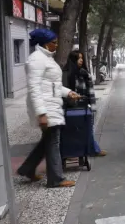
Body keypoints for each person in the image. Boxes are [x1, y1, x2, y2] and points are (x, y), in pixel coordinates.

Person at [17, 29, 80, 188]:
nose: (56, 45)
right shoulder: (37, 60)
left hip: (52, 105)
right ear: (45, 43)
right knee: (53, 142)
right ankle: (56, 179)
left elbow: (53, 86)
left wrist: (68, 93)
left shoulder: (46, 58)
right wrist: (41, 113)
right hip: (47, 107)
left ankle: (27, 169)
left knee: (48, 141)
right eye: (54, 42)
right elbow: (34, 88)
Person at [63, 51, 105, 156]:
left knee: (87, 129)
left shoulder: (85, 73)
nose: (81, 60)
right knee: (72, 131)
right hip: (69, 107)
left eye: (82, 58)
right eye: (78, 58)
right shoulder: (65, 74)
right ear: (73, 60)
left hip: (83, 106)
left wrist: (93, 107)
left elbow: (90, 92)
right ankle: (74, 151)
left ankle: (94, 149)